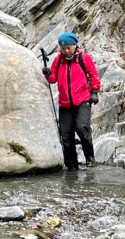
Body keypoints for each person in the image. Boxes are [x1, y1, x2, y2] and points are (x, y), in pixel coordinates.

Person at [43, 32, 101, 171]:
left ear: (75, 45)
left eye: (69, 47)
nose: (66, 51)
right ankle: (71, 166)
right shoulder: (58, 60)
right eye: (63, 48)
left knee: (82, 128)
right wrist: (47, 73)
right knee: (66, 136)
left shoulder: (84, 58)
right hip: (65, 104)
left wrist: (94, 92)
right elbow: (53, 79)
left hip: (82, 101)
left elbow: (93, 75)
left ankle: (90, 158)